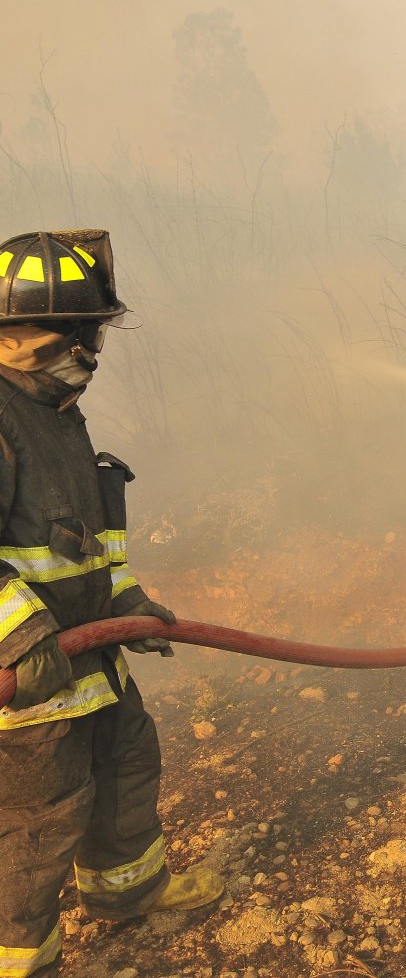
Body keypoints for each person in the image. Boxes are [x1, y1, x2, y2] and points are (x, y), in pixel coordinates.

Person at [0, 230, 223, 977]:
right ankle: (20, 960)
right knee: (39, 824)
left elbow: (82, 538)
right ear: (27, 336)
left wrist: (128, 598)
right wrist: (20, 642)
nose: (92, 350)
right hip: (30, 678)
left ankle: (129, 894)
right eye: (81, 333)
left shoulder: (55, 410)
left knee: (128, 761)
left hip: (87, 655)